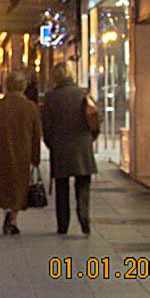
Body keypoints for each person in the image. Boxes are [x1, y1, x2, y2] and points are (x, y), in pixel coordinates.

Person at [0, 70, 41, 235]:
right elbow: (36, 135)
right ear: (23, 87)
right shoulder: (31, 107)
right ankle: (13, 218)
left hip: (0, 150)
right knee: (18, 187)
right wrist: (35, 157)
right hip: (23, 152)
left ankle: (6, 212)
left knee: (4, 184)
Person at [42, 62, 98, 235]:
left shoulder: (51, 98)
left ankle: (63, 225)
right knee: (83, 185)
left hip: (60, 147)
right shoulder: (83, 94)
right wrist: (90, 139)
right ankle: (84, 219)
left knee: (61, 187)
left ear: (55, 77)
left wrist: (51, 144)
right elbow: (94, 120)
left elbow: (47, 127)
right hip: (82, 146)